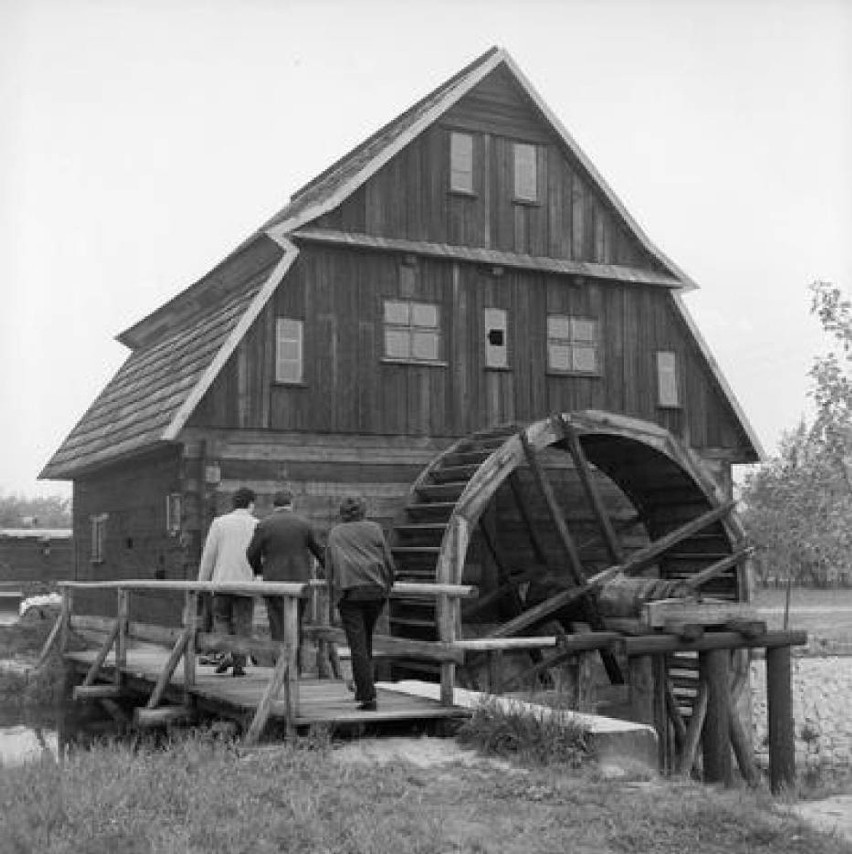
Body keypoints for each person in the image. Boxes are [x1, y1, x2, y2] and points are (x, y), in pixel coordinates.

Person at [325, 495, 395, 711]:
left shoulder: (336, 532)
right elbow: (387, 560)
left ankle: (367, 696)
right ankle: (363, 689)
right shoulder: (374, 528)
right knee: (365, 642)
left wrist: (332, 594)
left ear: (342, 514)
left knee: (358, 645)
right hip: (376, 592)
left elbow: (329, 566)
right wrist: (389, 584)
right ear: (364, 511)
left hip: (350, 593)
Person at [246, 487, 324, 671]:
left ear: (274, 505)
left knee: (277, 625)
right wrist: (328, 573)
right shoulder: (304, 524)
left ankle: (281, 668)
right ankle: (295, 667)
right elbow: (319, 551)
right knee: (296, 625)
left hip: (274, 583)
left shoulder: (264, 525)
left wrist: (259, 571)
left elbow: (251, 553)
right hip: (300, 583)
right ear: (291, 504)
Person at [197, 486, 258, 677]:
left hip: (222, 581)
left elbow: (209, 555)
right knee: (244, 623)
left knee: (221, 619)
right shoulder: (258, 524)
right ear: (251, 504)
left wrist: (201, 582)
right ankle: (238, 664)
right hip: (246, 582)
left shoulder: (219, 523)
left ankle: (225, 652)